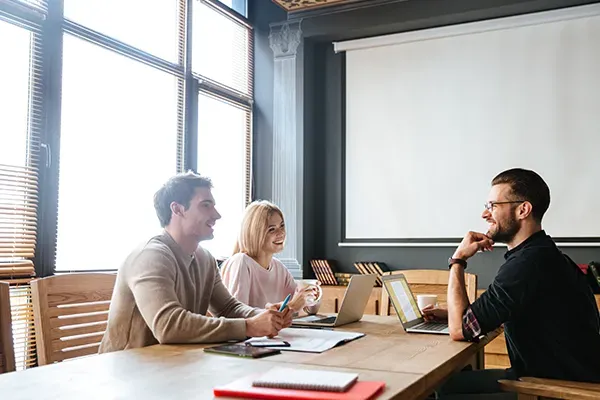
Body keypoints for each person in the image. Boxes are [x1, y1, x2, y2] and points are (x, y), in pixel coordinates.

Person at [424, 168, 600, 398]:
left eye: (493, 206)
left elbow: (460, 330)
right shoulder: (541, 254)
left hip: (555, 389)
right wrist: (454, 312)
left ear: (523, 209)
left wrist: (457, 260)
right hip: (552, 377)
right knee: (442, 386)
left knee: (433, 391)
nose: (484, 214)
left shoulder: (527, 263)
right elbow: (513, 306)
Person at [99, 172, 292, 353]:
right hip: (128, 373)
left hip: (174, 365)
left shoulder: (204, 259)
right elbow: (168, 326)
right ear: (177, 209)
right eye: (206, 205)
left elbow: (228, 308)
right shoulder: (150, 256)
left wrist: (266, 317)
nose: (217, 215)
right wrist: (250, 326)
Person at [221, 200, 320, 314]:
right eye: (272, 229)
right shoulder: (241, 262)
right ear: (255, 233)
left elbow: (307, 310)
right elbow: (238, 316)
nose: (281, 233)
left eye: (282, 226)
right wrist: (292, 306)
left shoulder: (278, 267)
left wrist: (312, 296)